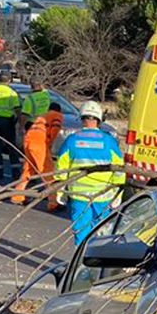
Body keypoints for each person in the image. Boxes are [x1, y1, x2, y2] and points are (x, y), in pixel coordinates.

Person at [54, 101, 124, 244]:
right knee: (102, 233)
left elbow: (61, 169)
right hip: (104, 195)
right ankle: (99, 263)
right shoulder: (109, 141)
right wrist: (118, 193)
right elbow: (119, 170)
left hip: (79, 196)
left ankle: (81, 264)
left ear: (81, 118)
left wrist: (61, 191)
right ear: (99, 119)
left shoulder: (72, 140)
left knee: (81, 233)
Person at [10, 102, 64, 206]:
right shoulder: (57, 115)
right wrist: (50, 142)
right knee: (46, 170)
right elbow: (55, 128)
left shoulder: (43, 116)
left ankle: (17, 196)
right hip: (39, 142)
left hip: (29, 140)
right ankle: (53, 201)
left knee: (29, 169)